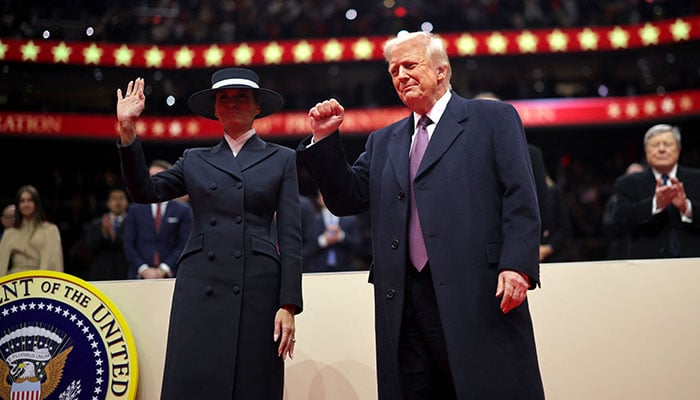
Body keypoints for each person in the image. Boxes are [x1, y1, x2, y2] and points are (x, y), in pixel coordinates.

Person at [297, 31, 544, 399]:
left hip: (477, 289)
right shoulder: (384, 140)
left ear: (442, 71)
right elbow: (347, 199)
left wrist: (518, 264)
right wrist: (325, 141)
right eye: (394, 70)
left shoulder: (492, 118)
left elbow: (520, 196)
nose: (401, 75)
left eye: (410, 65)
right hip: (403, 300)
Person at [116, 67, 302, 399]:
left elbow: (290, 236)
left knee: (252, 379)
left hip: (257, 287)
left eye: (241, 97)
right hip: (200, 284)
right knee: (194, 378)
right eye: (224, 98)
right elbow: (145, 191)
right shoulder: (194, 160)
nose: (232, 103)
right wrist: (129, 130)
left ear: (257, 106)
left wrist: (288, 304)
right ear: (215, 109)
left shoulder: (282, 159)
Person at [613, 124, 700, 258]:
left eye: (667, 144)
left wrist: (686, 207)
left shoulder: (697, 178)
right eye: (655, 145)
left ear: (678, 149)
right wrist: (655, 205)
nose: (661, 149)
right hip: (647, 264)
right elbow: (620, 219)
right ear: (646, 150)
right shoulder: (628, 183)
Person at [122, 160, 193, 279]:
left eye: (158, 176)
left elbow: (185, 243)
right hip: (139, 275)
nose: (153, 181)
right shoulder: (135, 209)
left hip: (172, 276)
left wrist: (164, 269)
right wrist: (143, 269)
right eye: (150, 177)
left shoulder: (183, 210)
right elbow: (128, 243)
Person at [0, 185, 63, 275]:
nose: (26, 205)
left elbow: (54, 265)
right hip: (14, 282)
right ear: (18, 205)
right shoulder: (10, 233)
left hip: (39, 280)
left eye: (30, 200)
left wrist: (41, 282)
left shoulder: (49, 230)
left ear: (36, 204)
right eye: (22, 201)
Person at [301, 190, 362, 272]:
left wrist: (341, 236)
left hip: (345, 271)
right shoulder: (312, 221)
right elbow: (304, 250)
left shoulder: (350, 220)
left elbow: (360, 247)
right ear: (318, 200)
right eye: (325, 195)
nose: (329, 198)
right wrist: (323, 240)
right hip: (318, 272)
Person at [83, 188, 130, 280]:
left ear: (127, 202)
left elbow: (130, 246)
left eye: (121, 198)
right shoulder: (97, 223)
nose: (118, 202)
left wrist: (112, 233)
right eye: (114, 199)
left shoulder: (134, 222)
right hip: (102, 273)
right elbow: (90, 247)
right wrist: (104, 232)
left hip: (125, 272)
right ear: (108, 203)